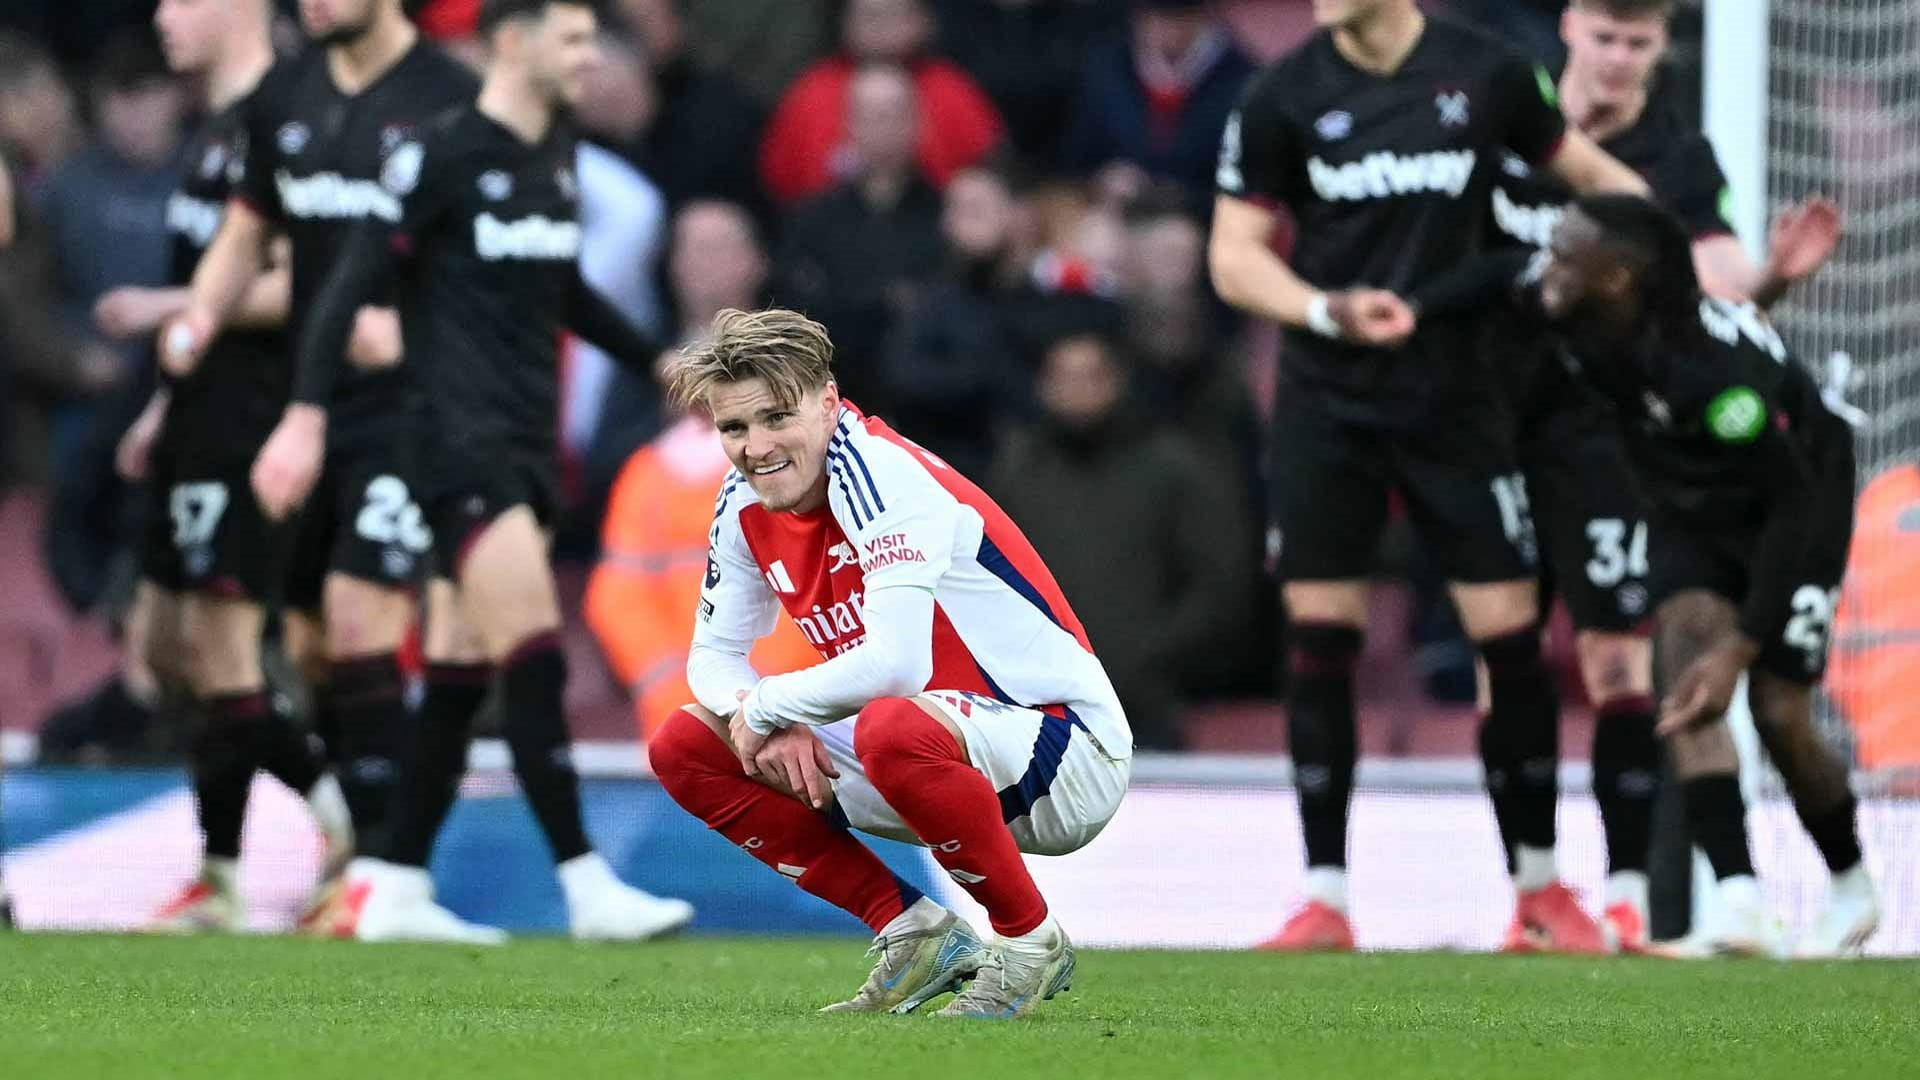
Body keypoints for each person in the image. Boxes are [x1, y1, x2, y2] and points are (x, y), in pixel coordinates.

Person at [1206, 0, 1648, 952]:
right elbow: (1232, 257)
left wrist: (1657, 241)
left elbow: (1592, 179)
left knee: (1512, 644)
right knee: (1321, 636)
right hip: (1330, 400)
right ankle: (1325, 898)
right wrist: (1324, 310)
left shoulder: (1486, 71)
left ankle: (1537, 891)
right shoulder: (1281, 94)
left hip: (1461, 399)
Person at [251, 0, 695, 944]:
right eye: (571, 39)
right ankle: (587, 884)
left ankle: (396, 883)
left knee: (458, 674)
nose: (589, 57)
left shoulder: (555, 154)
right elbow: (342, 290)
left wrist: (664, 365)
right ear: (511, 42)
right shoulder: (440, 152)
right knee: (531, 651)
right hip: (454, 444)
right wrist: (303, 415)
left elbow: (564, 290)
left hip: (529, 445)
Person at [1407, 194, 1880, 957]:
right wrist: (1409, 310)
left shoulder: (1721, 385)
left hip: (1796, 503)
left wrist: (1744, 647)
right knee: (1682, 658)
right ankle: (1739, 903)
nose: (1545, 262)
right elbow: (1497, 276)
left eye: (1565, 252)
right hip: (1688, 507)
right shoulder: (1583, 305)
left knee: (1777, 709)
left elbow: (1791, 505)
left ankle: (1853, 886)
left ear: (1619, 277)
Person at [1478, 0, 1842, 953]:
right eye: (1606, 38)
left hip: (1608, 437)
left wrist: (1768, 284)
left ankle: (1634, 897)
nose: (1619, 61)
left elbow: (1712, 286)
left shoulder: (1677, 158)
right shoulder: (1502, 112)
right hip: (1492, 424)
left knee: (1620, 660)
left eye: (1640, 44)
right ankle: (1535, 898)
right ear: (1568, 28)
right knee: (1501, 660)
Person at [648, 307, 1132, 1018]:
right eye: (734, 428)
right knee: (686, 745)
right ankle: (915, 931)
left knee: (890, 723)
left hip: (1063, 752)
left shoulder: (884, 475)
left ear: (829, 400)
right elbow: (714, 658)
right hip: (928, 753)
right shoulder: (742, 502)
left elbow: (897, 665)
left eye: (777, 417)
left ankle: (1030, 942)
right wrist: (763, 718)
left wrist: (769, 705)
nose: (756, 447)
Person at [158, 0, 479, 936]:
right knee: (294, 648)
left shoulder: (448, 97)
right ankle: (347, 850)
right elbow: (246, 231)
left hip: (405, 407)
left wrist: (418, 323)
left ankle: (378, 879)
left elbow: (484, 251)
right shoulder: (285, 96)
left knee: (357, 619)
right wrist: (196, 319)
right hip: (295, 399)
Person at [94, 0, 356, 933]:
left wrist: (168, 305)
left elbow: (305, 280)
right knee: (164, 650)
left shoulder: (291, 117)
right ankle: (330, 809)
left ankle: (224, 877)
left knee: (221, 651)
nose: (161, 15)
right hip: (197, 415)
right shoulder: (214, 128)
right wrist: (163, 406)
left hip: (254, 420)